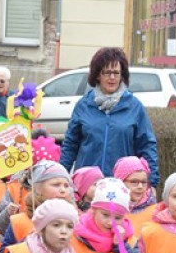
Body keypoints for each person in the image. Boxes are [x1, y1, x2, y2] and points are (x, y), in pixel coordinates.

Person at [59, 47, 159, 186]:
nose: (112, 78)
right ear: (97, 75)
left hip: (122, 185)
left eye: (116, 73)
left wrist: (151, 182)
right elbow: (70, 145)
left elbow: (147, 146)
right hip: (87, 186)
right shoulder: (83, 105)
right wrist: (61, 178)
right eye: (107, 72)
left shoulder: (134, 106)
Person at [0, 161, 73, 253]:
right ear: (38, 188)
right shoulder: (19, 221)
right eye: (56, 185)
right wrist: (28, 243)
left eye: (66, 186)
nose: (63, 190)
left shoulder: (74, 221)